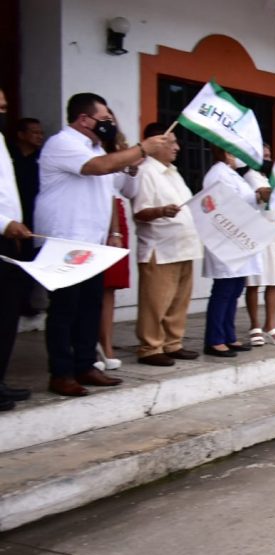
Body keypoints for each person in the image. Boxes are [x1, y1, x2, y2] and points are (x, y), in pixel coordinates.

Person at [36, 93, 172, 396]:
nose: (109, 125)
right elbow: (96, 168)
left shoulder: (99, 149)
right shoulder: (63, 143)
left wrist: (134, 164)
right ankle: (60, 372)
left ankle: (85, 365)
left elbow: (122, 187)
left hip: (93, 243)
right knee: (65, 309)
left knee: (89, 307)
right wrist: (139, 148)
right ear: (84, 119)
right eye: (105, 120)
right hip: (64, 239)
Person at [131, 122, 202, 366]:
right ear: (157, 142)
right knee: (155, 302)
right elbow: (140, 212)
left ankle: (173, 343)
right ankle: (150, 347)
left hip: (183, 246)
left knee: (179, 300)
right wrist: (161, 210)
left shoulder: (173, 171)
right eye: (172, 142)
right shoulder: (146, 172)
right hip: (160, 248)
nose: (177, 147)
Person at [201, 146, 263, 358]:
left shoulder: (232, 174)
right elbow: (224, 205)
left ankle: (229, 335)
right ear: (227, 152)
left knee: (236, 288)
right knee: (224, 289)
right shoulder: (217, 174)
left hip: (238, 238)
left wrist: (258, 196)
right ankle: (215, 339)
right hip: (225, 238)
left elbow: (244, 200)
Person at [0, 88, 33, 410]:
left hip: (10, 238)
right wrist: (3, 224)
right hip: (2, 234)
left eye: (4, 106)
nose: (3, 111)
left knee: (7, 314)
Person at [96, 110, 137, 372]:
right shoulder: (88, 150)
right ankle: (88, 344)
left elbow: (127, 192)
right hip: (97, 217)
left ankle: (106, 345)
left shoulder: (120, 150)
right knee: (90, 288)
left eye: (112, 118)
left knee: (109, 288)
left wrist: (132, 172)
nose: (108, 123)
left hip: (117, 216)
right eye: (104, 119)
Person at [243, 143, 275, 347]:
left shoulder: (269, 177)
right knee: (253, 283)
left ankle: (271, 325)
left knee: (273, 281)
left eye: (270, 156)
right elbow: (263, 194)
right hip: (255, 234)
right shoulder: (250, 176)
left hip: (273, 235)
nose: (268, 160)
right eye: (265, 156)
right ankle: (255, 326)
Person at [9, 117, 47, 318]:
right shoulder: (8, 155)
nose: (39, 136)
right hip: (10, 217)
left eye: (41, 133)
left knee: (30, 259)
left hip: (34, 215)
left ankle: (26, 301)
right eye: (34, 132)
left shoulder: (42, 159)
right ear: (21, 135)